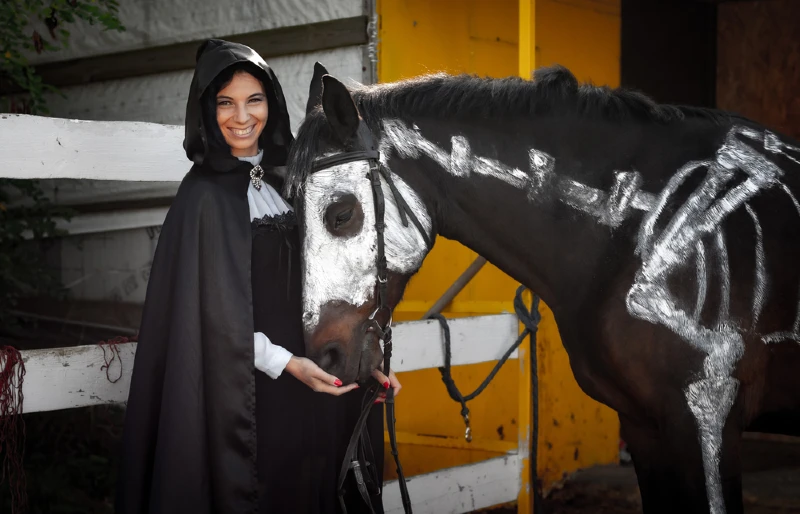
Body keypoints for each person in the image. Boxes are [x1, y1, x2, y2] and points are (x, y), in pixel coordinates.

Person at [115, 39, 400, 514]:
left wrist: (361, 358)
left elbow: (328, 286)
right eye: (225, 102)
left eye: (254, 100)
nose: (241, 116)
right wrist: (286, 364)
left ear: (272, 102)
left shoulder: (290, 183)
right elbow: (207, 320)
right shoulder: (200, 200)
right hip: (250, 395)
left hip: (315, 381)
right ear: (207, 110)